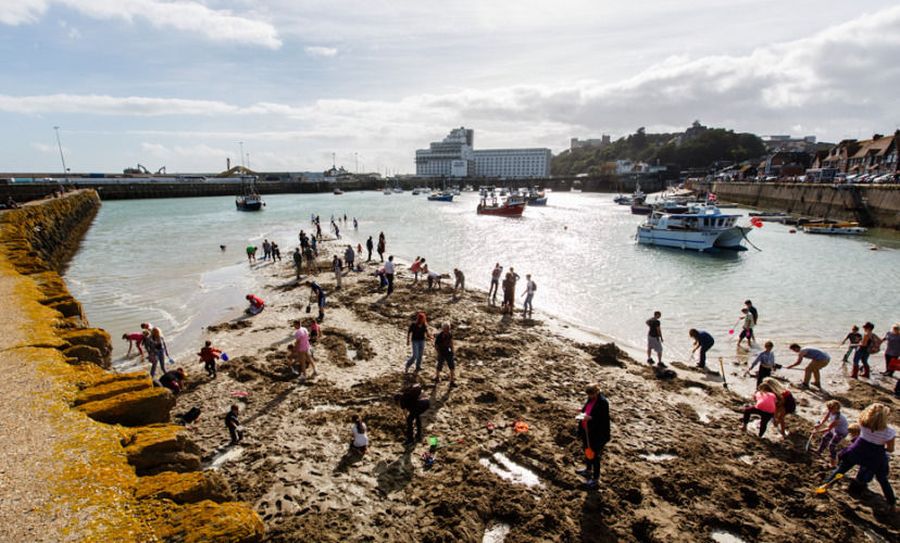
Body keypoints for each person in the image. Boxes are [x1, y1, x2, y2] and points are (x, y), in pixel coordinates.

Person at [824, 403, 895, 512]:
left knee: (841, 470)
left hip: (857, 450)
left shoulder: (862, 423)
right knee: (882, 479)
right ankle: (891, 504)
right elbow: (890, 449)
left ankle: (825, 485)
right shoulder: (889, 432)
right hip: (874, 455)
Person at [575, 384, 611, 489]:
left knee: (595, 456)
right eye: (589, 395)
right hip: (587, 431)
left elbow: (603, 419)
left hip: (598, 434)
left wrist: (590, 418)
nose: (590, 396)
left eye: (591, 394)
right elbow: (587, 409)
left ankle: (595, 479)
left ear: (597, 392)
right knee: (587, 450)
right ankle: (588, 470)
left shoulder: (603, 402)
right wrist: (581, 412)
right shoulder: (590, 399)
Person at [814, 400, 849, 467]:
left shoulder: (837, 418)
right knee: (825, 438)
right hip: (834, 429)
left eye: (831, 409)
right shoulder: (830, 412)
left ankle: (833, 463)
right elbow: (825, 418)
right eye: (829, 408)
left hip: (841, 432)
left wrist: (817, 432)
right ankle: (819, 451)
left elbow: (828, 428)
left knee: (832, 446)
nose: (829, 410)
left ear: (837, 409)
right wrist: (819, 424)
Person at [396, 381, 430, 445]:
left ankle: (410, 439)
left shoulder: (402, 401)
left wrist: (408, 422)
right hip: (426, 403)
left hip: (419, 405)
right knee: (417, 416)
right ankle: (418, 435)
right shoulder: (407, 394)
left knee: (409, 420)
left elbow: (405, 413)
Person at [434, 322, 455, 387]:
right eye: (446, 328)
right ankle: (437, 377)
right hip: (441, 353)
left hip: (448, 352)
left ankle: (452, 381)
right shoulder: (439, 336)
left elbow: (451, 342)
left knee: (452, 366)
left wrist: (452, 351)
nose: (448, 330)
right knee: (439, 365)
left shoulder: (450, 334)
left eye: (448, 328)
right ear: (443, 329)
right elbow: (436, 345)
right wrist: (438, 352)